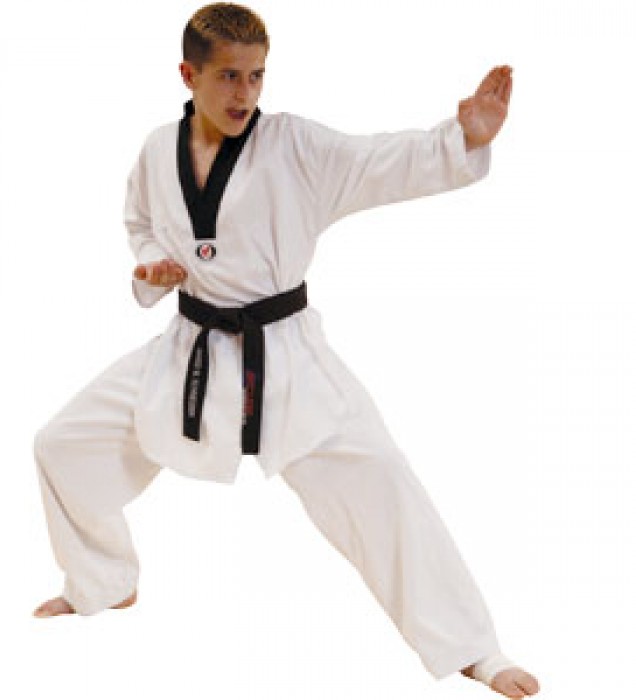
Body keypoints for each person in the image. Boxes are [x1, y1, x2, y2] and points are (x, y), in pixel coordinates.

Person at [33, 3, 540, 698]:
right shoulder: (157, 149)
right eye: (228, 76)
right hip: (189, 350)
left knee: (384, 481)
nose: (244, 92)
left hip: (287, 358)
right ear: (188, 74)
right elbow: (140, 221)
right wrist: (153, 266)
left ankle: (476, 650)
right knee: (62, 444)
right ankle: (102, 580)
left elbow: (377, 161)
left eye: (256, 76)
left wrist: (460, 139)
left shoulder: (295, 146)